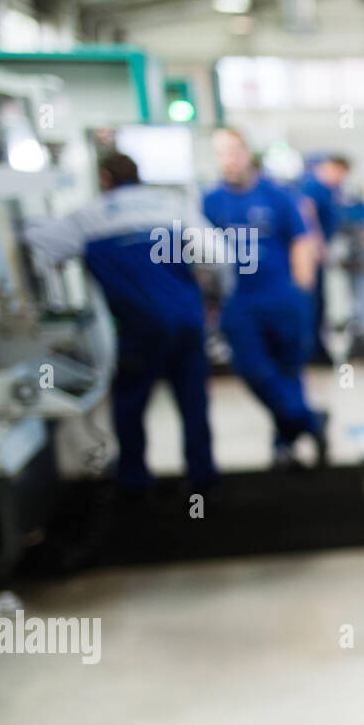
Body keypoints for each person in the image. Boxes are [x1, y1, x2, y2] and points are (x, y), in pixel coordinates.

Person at [24, 151, 219, 494]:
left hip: (138, 327)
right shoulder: (171, 205)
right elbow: (218, 255)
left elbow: (40, 244)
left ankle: (134, 481)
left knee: (130, 402)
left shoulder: (90, 216)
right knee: (193, 401)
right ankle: (202, 480)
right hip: (187, 322)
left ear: (104, 178)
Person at [203, 128, 327, 469]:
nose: (229, 159)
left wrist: (302, 292)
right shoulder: (209, 202)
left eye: (233, 151)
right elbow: (198, 254)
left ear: (246, 152)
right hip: (238, 305)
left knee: (289, 373)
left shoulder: (277, 195)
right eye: (221, 153)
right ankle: (309, 421)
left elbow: (301, 242)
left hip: (281, 299)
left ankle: (285, 445)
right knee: (254, 371)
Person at [297, 154, 351, 364]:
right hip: (310, 254)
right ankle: (310, 350)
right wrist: (318, 246)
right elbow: (306, 213)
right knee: (312, 302)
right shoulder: (312, 186)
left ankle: (316, 347)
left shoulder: (328, 189)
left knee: (320, 301)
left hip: (316, 251)